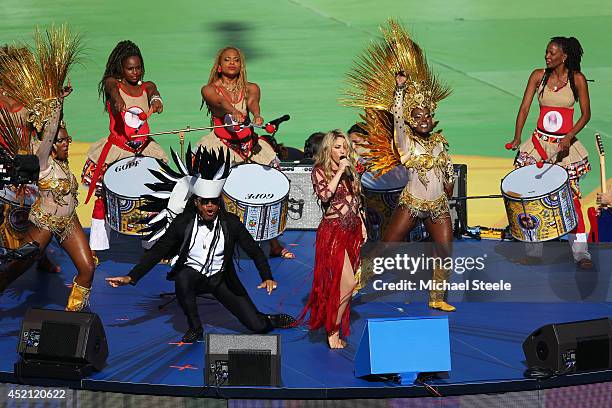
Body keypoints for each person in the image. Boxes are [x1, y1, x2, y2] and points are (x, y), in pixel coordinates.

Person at [105, 147, 295, 343]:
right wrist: (131, 276)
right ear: (197, 202)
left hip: (221, 279)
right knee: (183, 278)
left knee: (257, 326)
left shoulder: (231, 223)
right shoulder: (183, 222)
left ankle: (269, 319)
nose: (210, 206)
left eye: (213, 202)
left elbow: (254, 251)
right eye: (205, 202)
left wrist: (267, 276)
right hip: (193, 276)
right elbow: (158, 251)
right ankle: (195, 328)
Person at [343, 20, 456, 312]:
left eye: (427, 117)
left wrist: (449, 179)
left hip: (438, 205)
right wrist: (400, 91)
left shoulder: (440, 141)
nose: (424, 121)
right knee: (388, 246)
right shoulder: (405, 142)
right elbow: (397, 118)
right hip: (412, 203)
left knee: (444, 250)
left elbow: (446, 170)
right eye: (417, 118)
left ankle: (437, 297)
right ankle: (356, 284)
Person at [196, 46, 294, 259]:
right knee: (210, 194)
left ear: (241, 65)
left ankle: (274, 243)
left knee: (266, 189)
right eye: (227, 60)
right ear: (219, 67)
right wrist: (234, 111)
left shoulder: (251, 88)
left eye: (236, 60)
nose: (232, 63)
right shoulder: (209, 89)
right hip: (221, 146)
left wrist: (257, 116)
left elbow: (253, 103)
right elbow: (219, 103)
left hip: (250, 146)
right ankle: (206, 243)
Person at [1, 103, 96, 311]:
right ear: (51, 144)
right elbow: (51, 131)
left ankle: (72, 319)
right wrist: (58, 103)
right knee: (15, 269)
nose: (66, 144)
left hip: (69, 222)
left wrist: (60, 107)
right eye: (61, 141)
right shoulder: (43, 162)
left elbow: (58, 125)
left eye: (67, 140)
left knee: (87, 268)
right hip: (44, 224)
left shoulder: (63, 161)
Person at [509, 37, 592, 269]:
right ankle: (534, 251)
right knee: (530, 199)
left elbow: (586, 114)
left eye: (552, 53)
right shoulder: (539, 76)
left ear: (563, 56)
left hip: (565, 148)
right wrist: (517, 136)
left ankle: (581, 253)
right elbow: (524, 107)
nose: (547, 56)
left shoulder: (577, 80)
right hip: (538, 144)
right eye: (546, 52)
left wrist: (568, 136)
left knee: (572, 201)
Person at [81, 40, 168, 259]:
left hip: (145, 149)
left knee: (152, 197)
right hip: (118, 149)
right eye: (130, 68)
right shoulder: (114, 84)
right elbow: (110, 86)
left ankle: (151, 245)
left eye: (138, 67)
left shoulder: (146, 86)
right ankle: (95, 248)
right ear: (121, 68)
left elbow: (154, 92)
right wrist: (117, 97)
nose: (135, 71)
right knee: (102, 198)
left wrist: (156, 101)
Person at [297, 130, 366, 349]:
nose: (342, 151)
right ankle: (332, 329)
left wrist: (362, 224)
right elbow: (325, 195)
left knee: (346, 285)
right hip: (333, 231)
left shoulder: (352, 171)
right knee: (348, 283)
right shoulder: (320, 171)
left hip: (352, 230)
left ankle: (332, 326)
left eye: (344, 147)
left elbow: (357, 200)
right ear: (328, 149)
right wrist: (340, 172)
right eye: (337, 147)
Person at [0, 45, 60, 273]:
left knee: (38, 215)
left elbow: (45, 130)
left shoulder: (29, 101)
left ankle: (40, 258)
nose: (17, 76)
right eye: (12, 73)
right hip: (4, 165)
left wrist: (57, 102)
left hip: (28, 164)